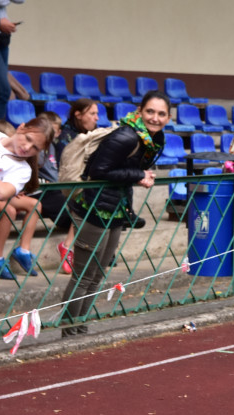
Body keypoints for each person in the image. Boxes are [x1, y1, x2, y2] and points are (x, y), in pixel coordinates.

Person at [60, 91, 169, 338]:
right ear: (140, 111)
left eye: (161, 114)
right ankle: (68, 332)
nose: (155, 118)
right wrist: (138, 176)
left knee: (97, 274)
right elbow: (98, 171)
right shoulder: (126, 136)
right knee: (83, 275)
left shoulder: (153, 138)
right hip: (92, 207)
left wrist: (137, 175)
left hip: (115, 208)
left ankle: (81, 328)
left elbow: (126, 169)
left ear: (169, 117)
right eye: (150, 111)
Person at [0, 116, 50, 355]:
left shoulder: (22, 169)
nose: (27, 148)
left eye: (35, 148)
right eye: (27, 139)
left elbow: (0, 191)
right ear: (21, 127)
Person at [0, 111, 61, 278]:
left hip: (3, 192)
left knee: (35, 204)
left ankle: (23, 250)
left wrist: (15, 187)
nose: (26, 147)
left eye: (34, 147)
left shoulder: (22, 165)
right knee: (10, 211)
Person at [53, 98, 100, 274]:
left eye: (97, 114)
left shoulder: (93, 136)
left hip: (78, 196)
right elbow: (66, 174)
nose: (96, 118)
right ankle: (67, 247)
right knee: (88, 196)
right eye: (92, 114)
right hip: (60, 197)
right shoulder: (66, 138)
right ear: (78, 115)